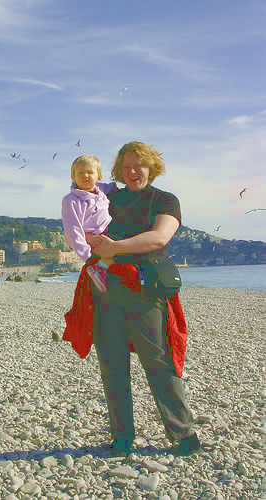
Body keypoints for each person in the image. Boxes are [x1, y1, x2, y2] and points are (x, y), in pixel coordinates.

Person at [63, 141, 200, 458]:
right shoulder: (106, 195)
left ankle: (182, 433)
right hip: (104, 288)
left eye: (138, 165)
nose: (132, 171)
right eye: (126, 166)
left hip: (145, 289)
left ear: (152, 167)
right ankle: (122, 437)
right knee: (112, 363)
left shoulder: (164, 200)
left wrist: (114, 248)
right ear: (117, 171)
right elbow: (79, 209)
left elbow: (159, 237)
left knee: (159, 361)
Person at [61, 154, 118, 292]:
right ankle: (97, 269)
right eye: (80, 172)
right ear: (73, 177)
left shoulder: (101, 191)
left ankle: (102, 271)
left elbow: (113, 186)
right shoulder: (72, 200)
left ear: (98, 176)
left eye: (90, 172)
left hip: (109, 233)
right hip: (94, 240)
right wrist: (88, 257)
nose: (85, 175)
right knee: (118, 255)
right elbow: (73, 230)